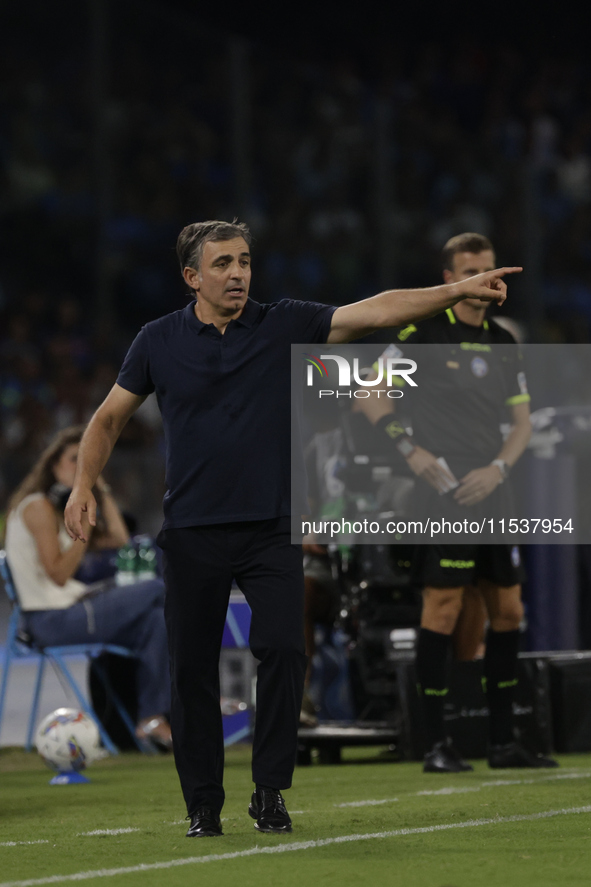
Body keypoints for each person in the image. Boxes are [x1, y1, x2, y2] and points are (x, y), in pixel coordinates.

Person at [63, 219, 521, 837]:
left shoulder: (284, 322)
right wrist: (83, 486)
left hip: (272, 526)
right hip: (193, 530)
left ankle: (270, 791)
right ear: (192, 277)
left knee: (283, 651)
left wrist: (456, 290)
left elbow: (376, 311)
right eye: (223, 264)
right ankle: (202, 804)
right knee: (190, 669)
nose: (239, 274)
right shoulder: (157, 340)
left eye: (245, 261)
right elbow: (108, 418)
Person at [359, 232, 557, 772]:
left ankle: (502, 742)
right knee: (442, 609)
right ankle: (434, 745)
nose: (488, 282)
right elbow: (367, 392)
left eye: (492, 271)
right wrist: (412, 451)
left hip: (493, 488)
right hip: (443, 489)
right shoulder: (419, 335)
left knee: (508, 609)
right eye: (474, 272)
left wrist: (498, 469)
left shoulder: (503, 342)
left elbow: (520, 426)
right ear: (449, 279)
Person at [4, 426, 172, 750]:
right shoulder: (37, 506)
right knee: (156, 587)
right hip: (50, 620)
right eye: (73, 461)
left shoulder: (58, 511)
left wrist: (99, 490)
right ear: (52, 466)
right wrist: (82, 529)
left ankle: (150, 717)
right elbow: (57, 575)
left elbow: (122, 542)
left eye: (87, 462)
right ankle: (203, 688)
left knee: (157, 622)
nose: (81, 467)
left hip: (67, 611)